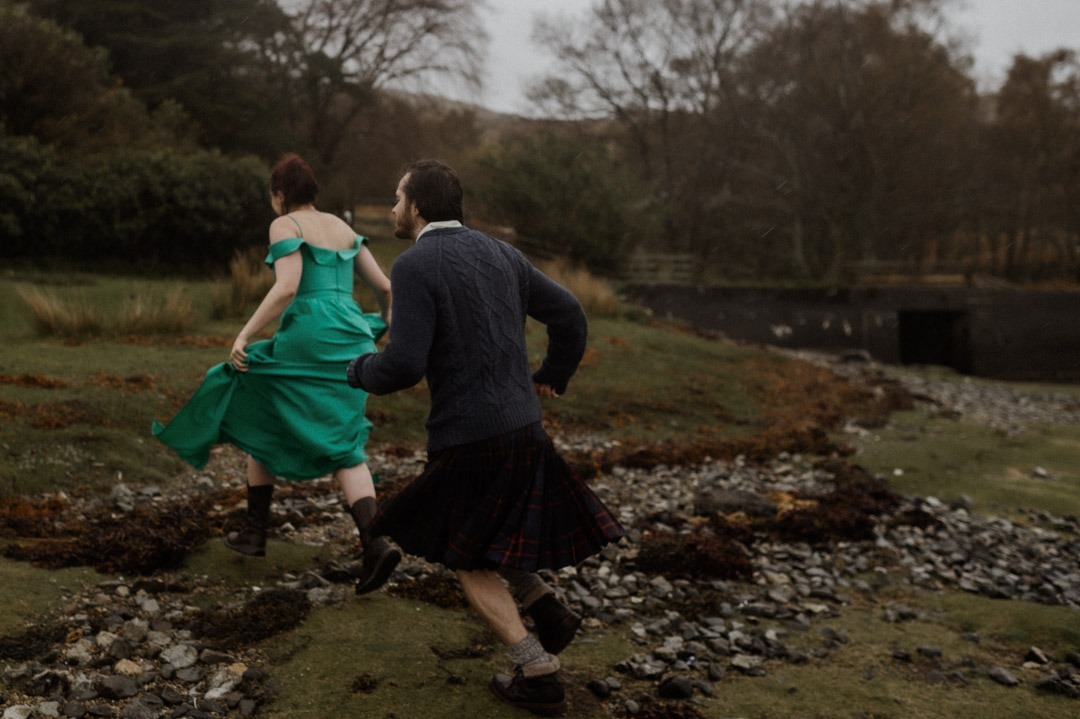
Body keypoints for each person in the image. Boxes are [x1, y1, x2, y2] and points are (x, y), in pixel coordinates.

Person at [346, 159, 624, 716]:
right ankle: (544, 605)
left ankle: (536, 669)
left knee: (466, 555)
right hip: (524, 427)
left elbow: (403, 365)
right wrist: (552, 376)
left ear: (418, 206)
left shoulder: (415, 264)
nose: (395, 208)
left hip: (468, 438)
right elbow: (570, 313)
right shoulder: (503, 253)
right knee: (486, 527)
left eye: (398, 199)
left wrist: (356, 371)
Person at [153, 153, 400, 595]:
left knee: (244, 384)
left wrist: (244, 334)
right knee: (345, 441)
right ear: (315, 192)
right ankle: (375, 543)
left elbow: (287, 287)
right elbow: (384, 287)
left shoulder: (285, 225)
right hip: (353, 338)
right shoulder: (344, 227)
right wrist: (382, 329)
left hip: (310, 335)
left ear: (280, 194)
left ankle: (254, 531)